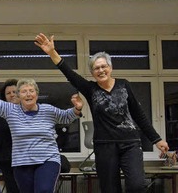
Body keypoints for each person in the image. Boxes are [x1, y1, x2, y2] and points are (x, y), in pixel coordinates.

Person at [35, 33, 170, 193]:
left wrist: (156, 139)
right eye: (96, 68)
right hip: (104, 146)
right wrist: (52, 52)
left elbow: (138, 114)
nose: (100, 70)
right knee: (109, 189)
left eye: (103, 66)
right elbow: (69, 73)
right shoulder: (91, 89)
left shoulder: (124, 85)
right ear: (92, 73)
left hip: (130, 143)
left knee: (137, 185)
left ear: (110, 68)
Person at [0, 58, 83, 192]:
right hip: (21, 162)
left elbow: (66, 116)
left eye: (31, 91)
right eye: (24, 91)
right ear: (18, 96)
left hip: (48, 159)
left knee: (43, 190)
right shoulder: (11, 111)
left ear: (36, 94)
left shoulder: (48, 110)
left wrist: (77, 108)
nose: (28, 94)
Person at [0, 79, 20, 193]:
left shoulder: (26, 110)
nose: (12, 95)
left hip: (24, 157)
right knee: (12, 189)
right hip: (5, 158)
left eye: (14, 92)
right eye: (8, 93)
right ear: (4, 96)